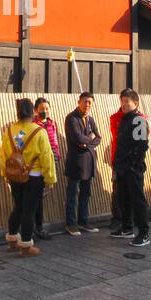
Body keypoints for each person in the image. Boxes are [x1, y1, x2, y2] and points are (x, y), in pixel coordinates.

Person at [0, 97, 56, 257]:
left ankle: (12, 239)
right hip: (34, 177)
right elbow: (47, 157)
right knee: (29, 211)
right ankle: (25, 245)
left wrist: (5, 173)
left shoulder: (10, 130)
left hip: (15, 176)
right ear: (33, 111)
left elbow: (4, 155)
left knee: (18, 207)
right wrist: (50, 179)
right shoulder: (39, 131)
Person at [109, 88, 150, 246]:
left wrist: (133, 165)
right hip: (121, 167)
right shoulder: (124, 118)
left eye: (127, 101)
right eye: (122, 101)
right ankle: (127, 228)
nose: (124, 104)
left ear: (135, 103)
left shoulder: (138, 119)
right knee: (123, 198)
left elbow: (142, 145)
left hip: (133, 168)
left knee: (137, 200)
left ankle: (144, 232)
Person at [63, 92, 103, 235]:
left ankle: (83, 221)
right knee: (72, 194)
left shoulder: (90, 119)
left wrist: (88, 143)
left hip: (89, 161)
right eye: (85, 101)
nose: (87, 105)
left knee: (86, 194)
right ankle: (71, 223)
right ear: (79, 101)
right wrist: (89, 139)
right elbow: (77, 138)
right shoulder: (71, 118)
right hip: (76, 162)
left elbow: (99, 137)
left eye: (90, 102)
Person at [32, 98, 60, 240]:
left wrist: (57, 156)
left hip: (51, 159)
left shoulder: (51, 123)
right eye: (42, 109)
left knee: (41, 196)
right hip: (37, 164)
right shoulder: (32, 124)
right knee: (35, 198)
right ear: (36, 110)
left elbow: (54, 141)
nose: (45, 111)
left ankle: (38, 227)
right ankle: (35, 228)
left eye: (47, 108)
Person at [106, 103, 126, 232]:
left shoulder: (138, 119)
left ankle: (127, 218)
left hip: (131, 162)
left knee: (128, 191)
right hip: (118, 161)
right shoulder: (116, 120)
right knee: (117, 190)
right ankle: (117, 218)